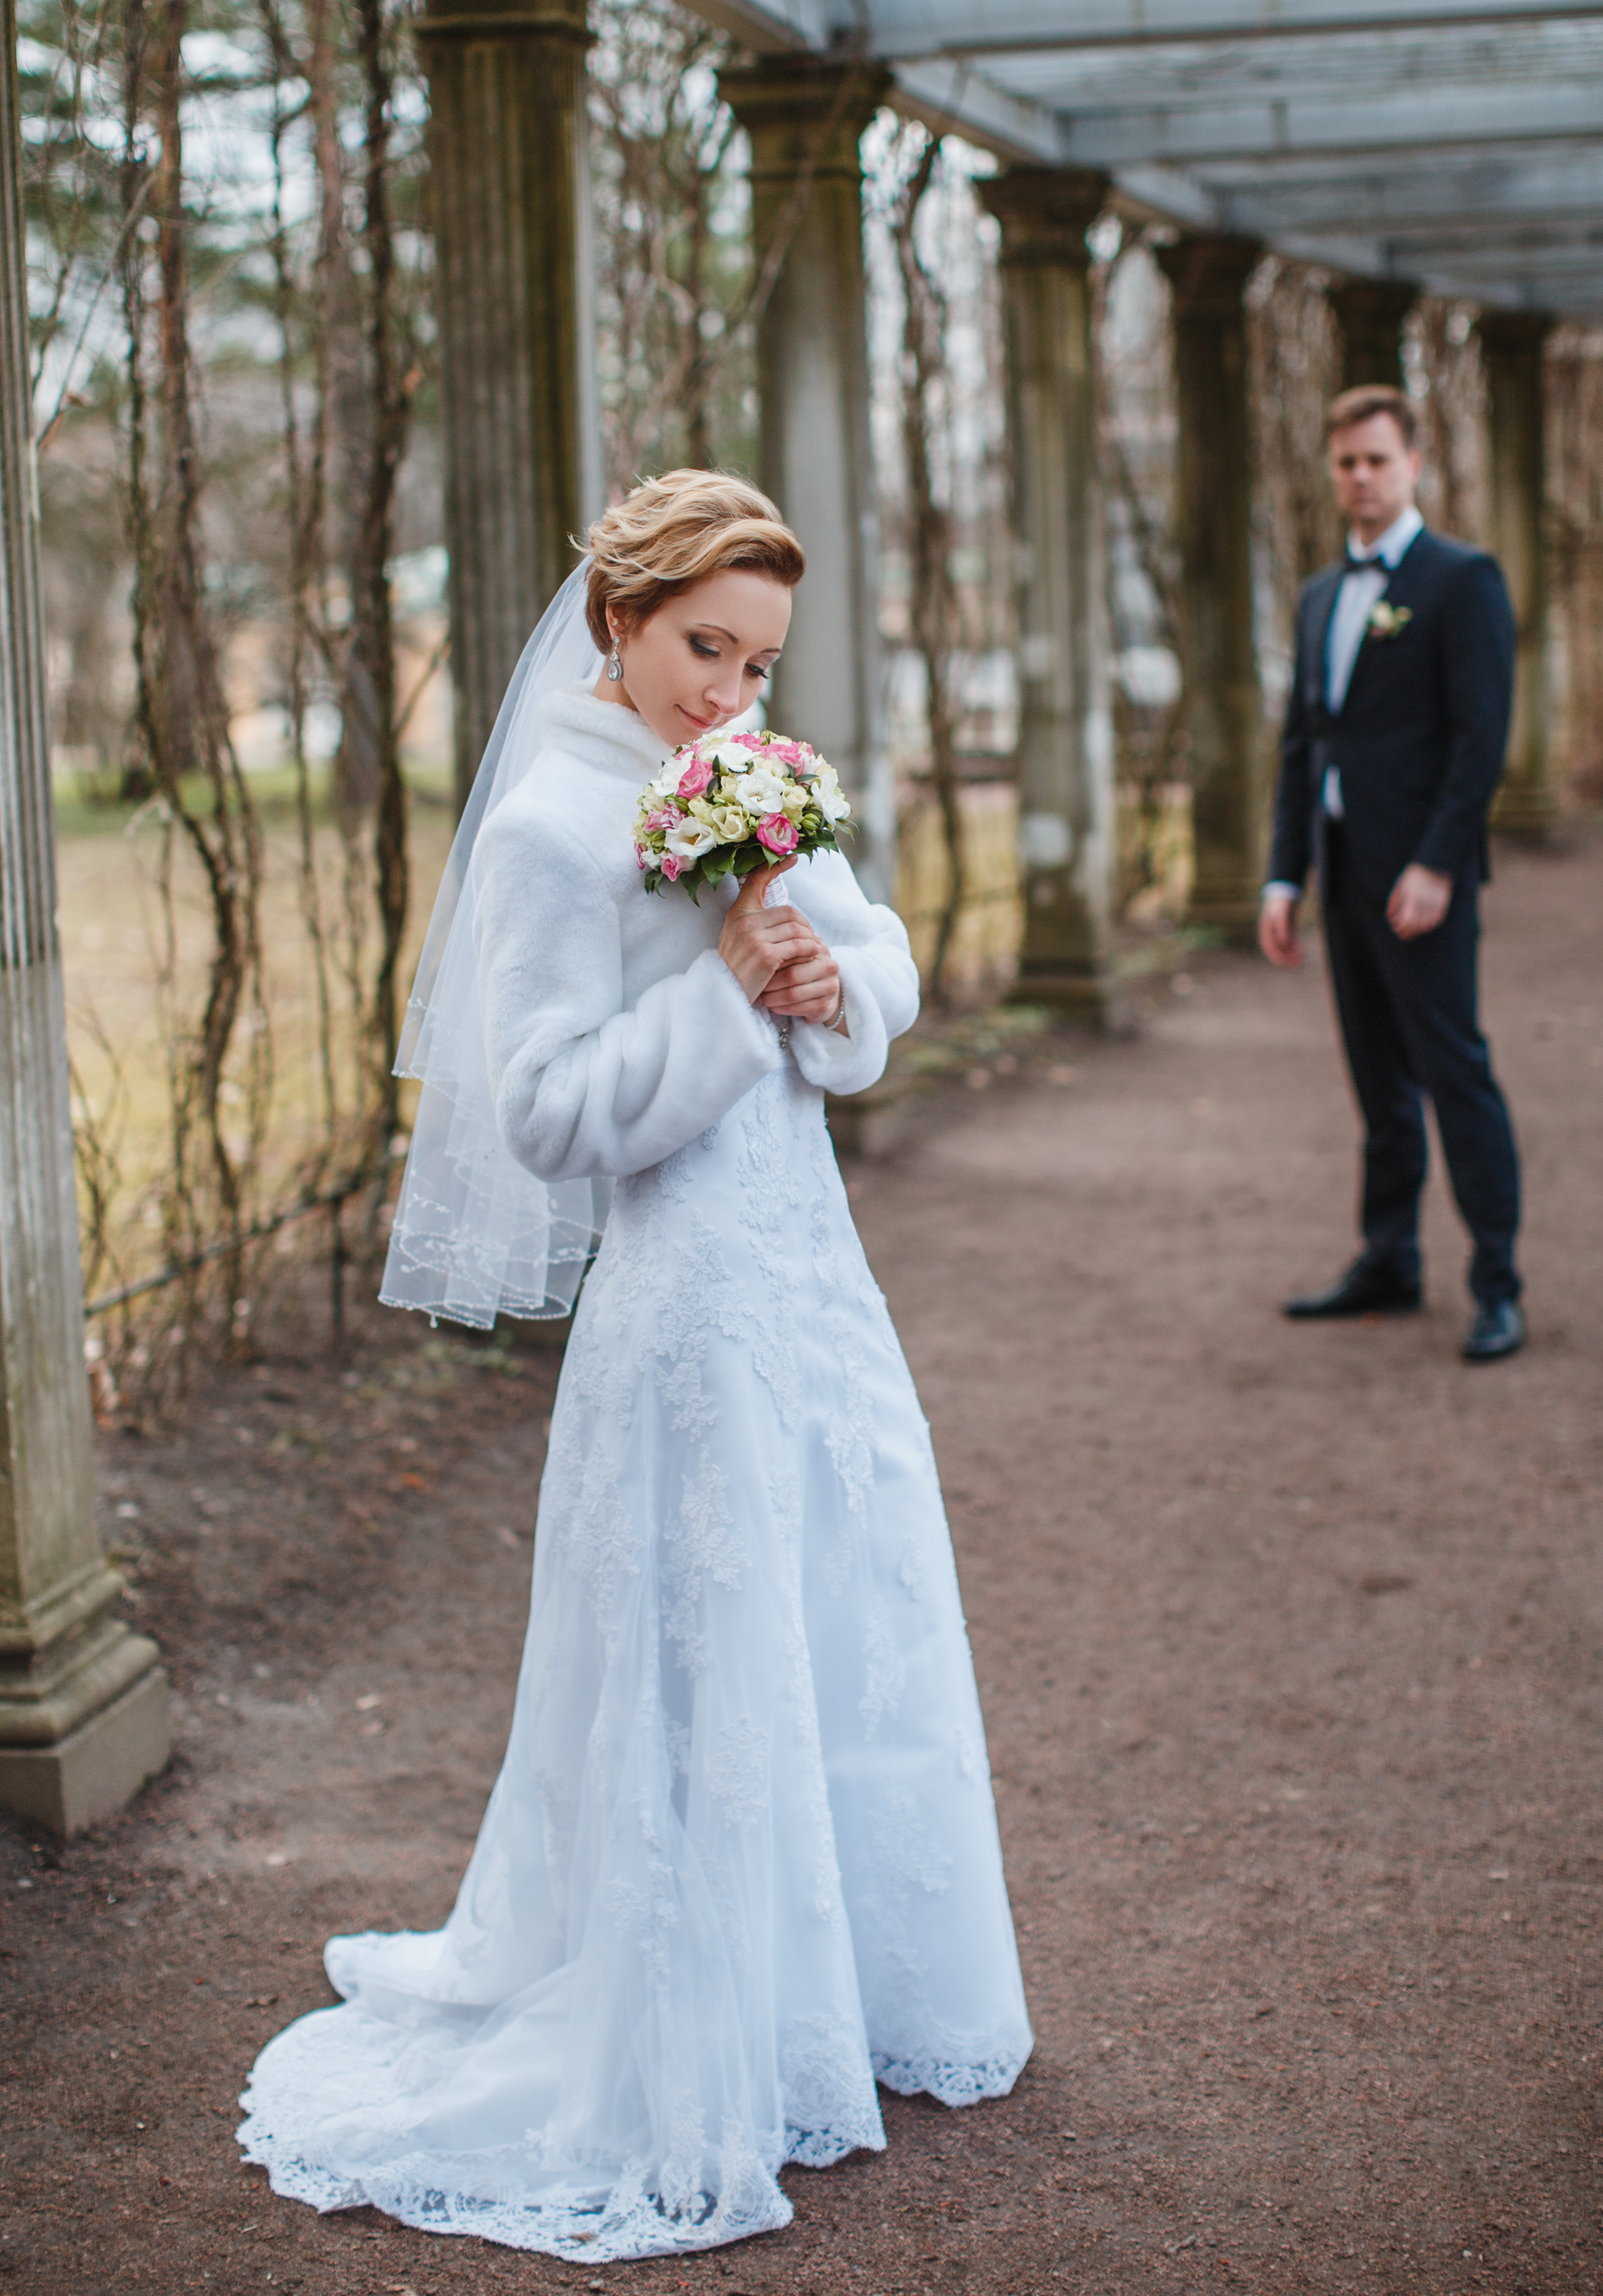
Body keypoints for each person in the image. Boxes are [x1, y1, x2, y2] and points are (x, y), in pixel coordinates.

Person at [238, 470, 1031, 2262]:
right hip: (674, 1309)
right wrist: (721, 1000)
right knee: (701, 1650)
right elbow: (538, 1111)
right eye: (700, 648)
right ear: (617, 616)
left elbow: (877, 959)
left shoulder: (750, 777)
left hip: (809, 1278)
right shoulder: (538, 830)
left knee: (853, 1598)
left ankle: (846, 1996)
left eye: (753, 664)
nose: (727, 695)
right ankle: (690, 2035)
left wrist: (830, 987)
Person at [1259, 386, 1526, 1364]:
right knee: (1378, 1085)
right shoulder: (1321, 594)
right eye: (1346, 463)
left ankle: (1498, 1280)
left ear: (1414, 463)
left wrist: (1438, 864)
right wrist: (1282, 879)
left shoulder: (1464, 580)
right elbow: (1303, 744)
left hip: (1424, 885)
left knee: (1455, 1071)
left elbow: (1479, 738)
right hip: (1341, 877)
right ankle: (1390, 1256)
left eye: (1377, 459)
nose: (1361, 477)